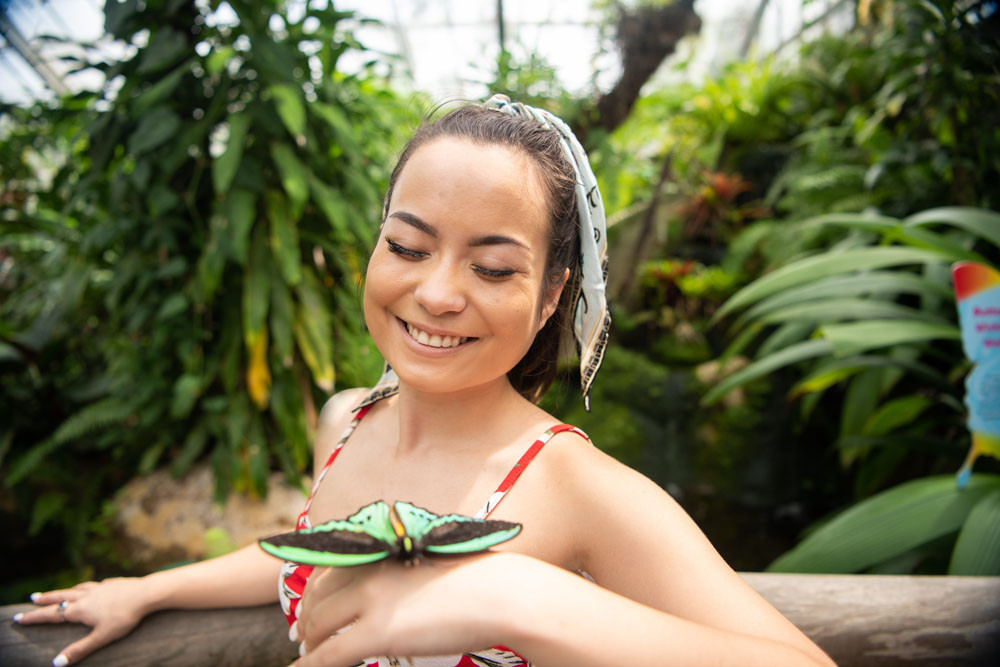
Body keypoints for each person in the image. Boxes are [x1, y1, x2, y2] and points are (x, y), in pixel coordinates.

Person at [13, 95, 835, 667]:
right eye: (407, 247)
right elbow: (319, 555)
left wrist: (520, 597)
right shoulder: (347, 419)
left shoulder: (575, 486)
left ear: (552, 294)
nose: (437, 293)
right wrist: (147, 590)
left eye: (491, 265)